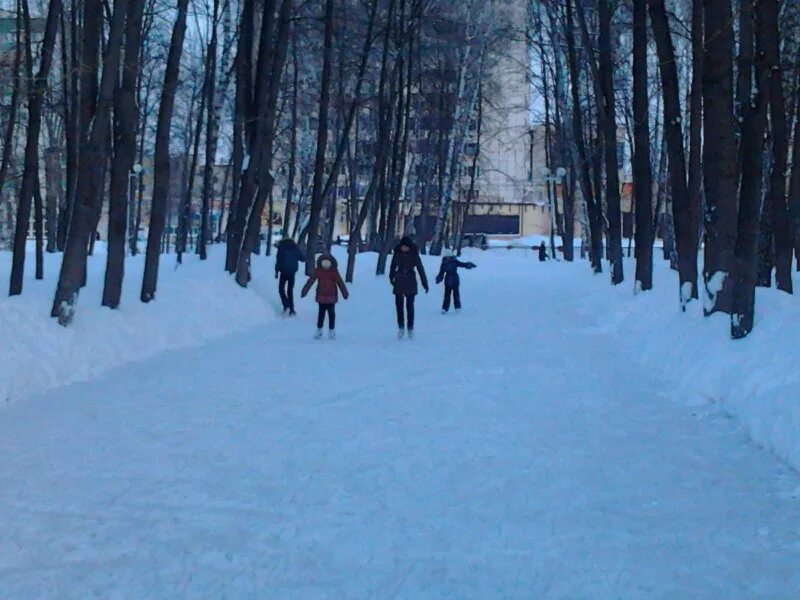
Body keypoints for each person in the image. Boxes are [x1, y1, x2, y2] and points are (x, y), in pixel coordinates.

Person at [301, 254, 349, 339]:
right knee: (322, 313)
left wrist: (345, 293)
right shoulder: (319, 271)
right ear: (321, 263)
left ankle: (331, 330)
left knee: (331, 314)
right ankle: (320, 330)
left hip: (330, 296)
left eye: (327, 264)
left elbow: (340, 282)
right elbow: (311, 281)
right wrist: (305, 291)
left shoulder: (333, 271)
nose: (326, 266)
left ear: (331, 263)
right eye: (324, 264)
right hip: (322, 296)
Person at [389, 236, 428, 339]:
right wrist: (391, 277)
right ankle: (401, 327)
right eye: (403, 247)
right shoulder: (397, 253)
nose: (404, 248)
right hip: (399, 281)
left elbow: (420, 269)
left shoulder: (414, 255)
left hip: (410, 281)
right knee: (399, 306)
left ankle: (410, 327)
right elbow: (393, 266)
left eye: (406, 247)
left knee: (410, 306)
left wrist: (425, 283)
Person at [275, 237, 305, 315]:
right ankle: (292, 309)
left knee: (281, 289)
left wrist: (276, 271)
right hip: (292, 272)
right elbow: (302, 259)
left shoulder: (282, 248)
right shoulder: (295, 248)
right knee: (290, 290)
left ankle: (286, 305)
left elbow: (279, 260)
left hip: (284, 272)